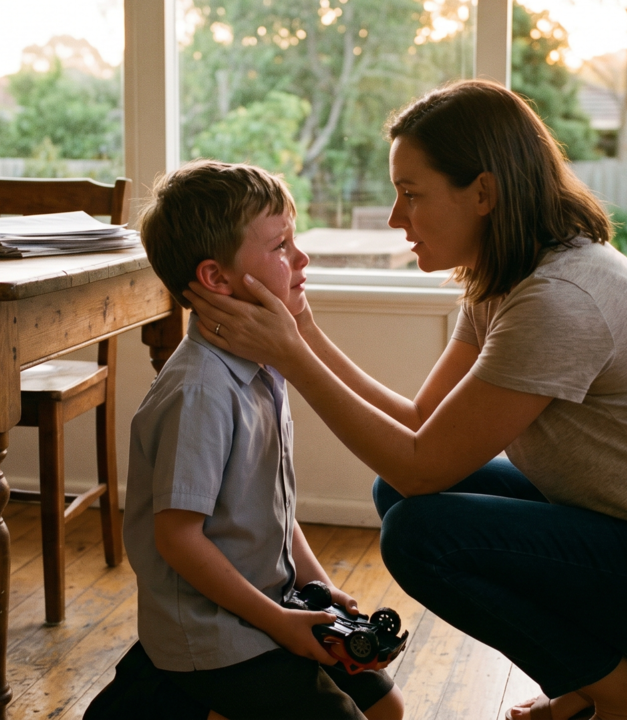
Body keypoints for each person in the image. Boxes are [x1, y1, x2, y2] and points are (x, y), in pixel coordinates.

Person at [182, 80, 627, 720]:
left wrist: (290, 355)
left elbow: (424, 463)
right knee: (399, 496)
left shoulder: (559, 300)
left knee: (419, 535)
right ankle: (605, 681)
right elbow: (421, 429)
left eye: (411, 194)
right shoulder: (507, 277)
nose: (396, 217)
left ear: (483, 193)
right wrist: (303, 332)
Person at [88, 160, 404, 720]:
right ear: (216, 277)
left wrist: (318, 586)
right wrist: (279, 622)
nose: (301, 259)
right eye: (282, 245)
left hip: (268, 606)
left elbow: (273, 509)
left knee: (388, 707)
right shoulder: (201, 392)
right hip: (218, 635)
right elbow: (178, 539)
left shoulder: (262, 369)